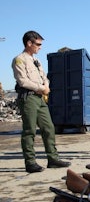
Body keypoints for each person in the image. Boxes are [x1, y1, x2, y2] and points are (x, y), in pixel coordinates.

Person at [12, 30, 71, 173]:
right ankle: (30, 162)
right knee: (29, 130)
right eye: (38, 44)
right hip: (29, 98)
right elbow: (23, 81)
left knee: (49, 128)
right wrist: (41, 88)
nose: (40, 47)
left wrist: (46, 86)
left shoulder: (36, 61)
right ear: (29, 43)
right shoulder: (19, 59)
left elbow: (44, 76)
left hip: (39, 99)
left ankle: (53, 159)